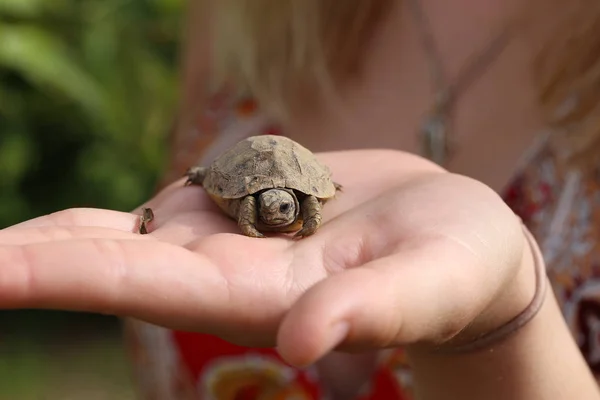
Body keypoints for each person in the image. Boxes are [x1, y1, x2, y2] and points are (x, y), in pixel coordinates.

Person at [1, 0, 600, 398]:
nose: (282, 212)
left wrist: (500, 319)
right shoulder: (251, 16)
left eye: (290, 208)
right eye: (280, 208)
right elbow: (198, 189)